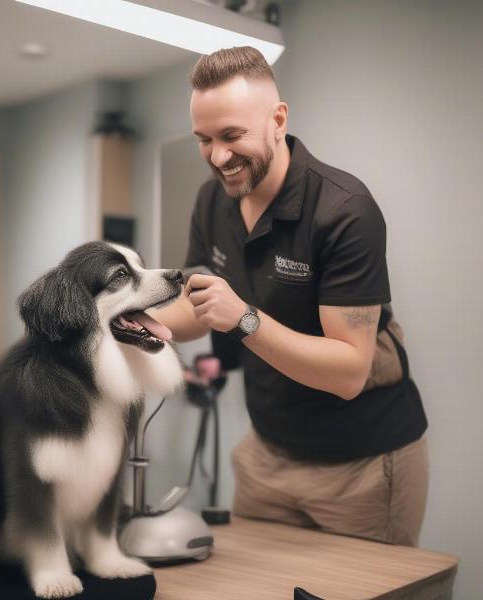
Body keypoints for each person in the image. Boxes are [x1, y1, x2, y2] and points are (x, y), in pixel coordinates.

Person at [153, 47, 428, 546]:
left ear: (277, 120)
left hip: (360, 467)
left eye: (233, 135)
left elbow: (348, 372)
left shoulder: (345, 211)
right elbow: (201, 307)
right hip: (267, 456)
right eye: (205, 139)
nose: (218, 156)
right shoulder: (212, 200)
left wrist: (244, 319)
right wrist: (133, 325)